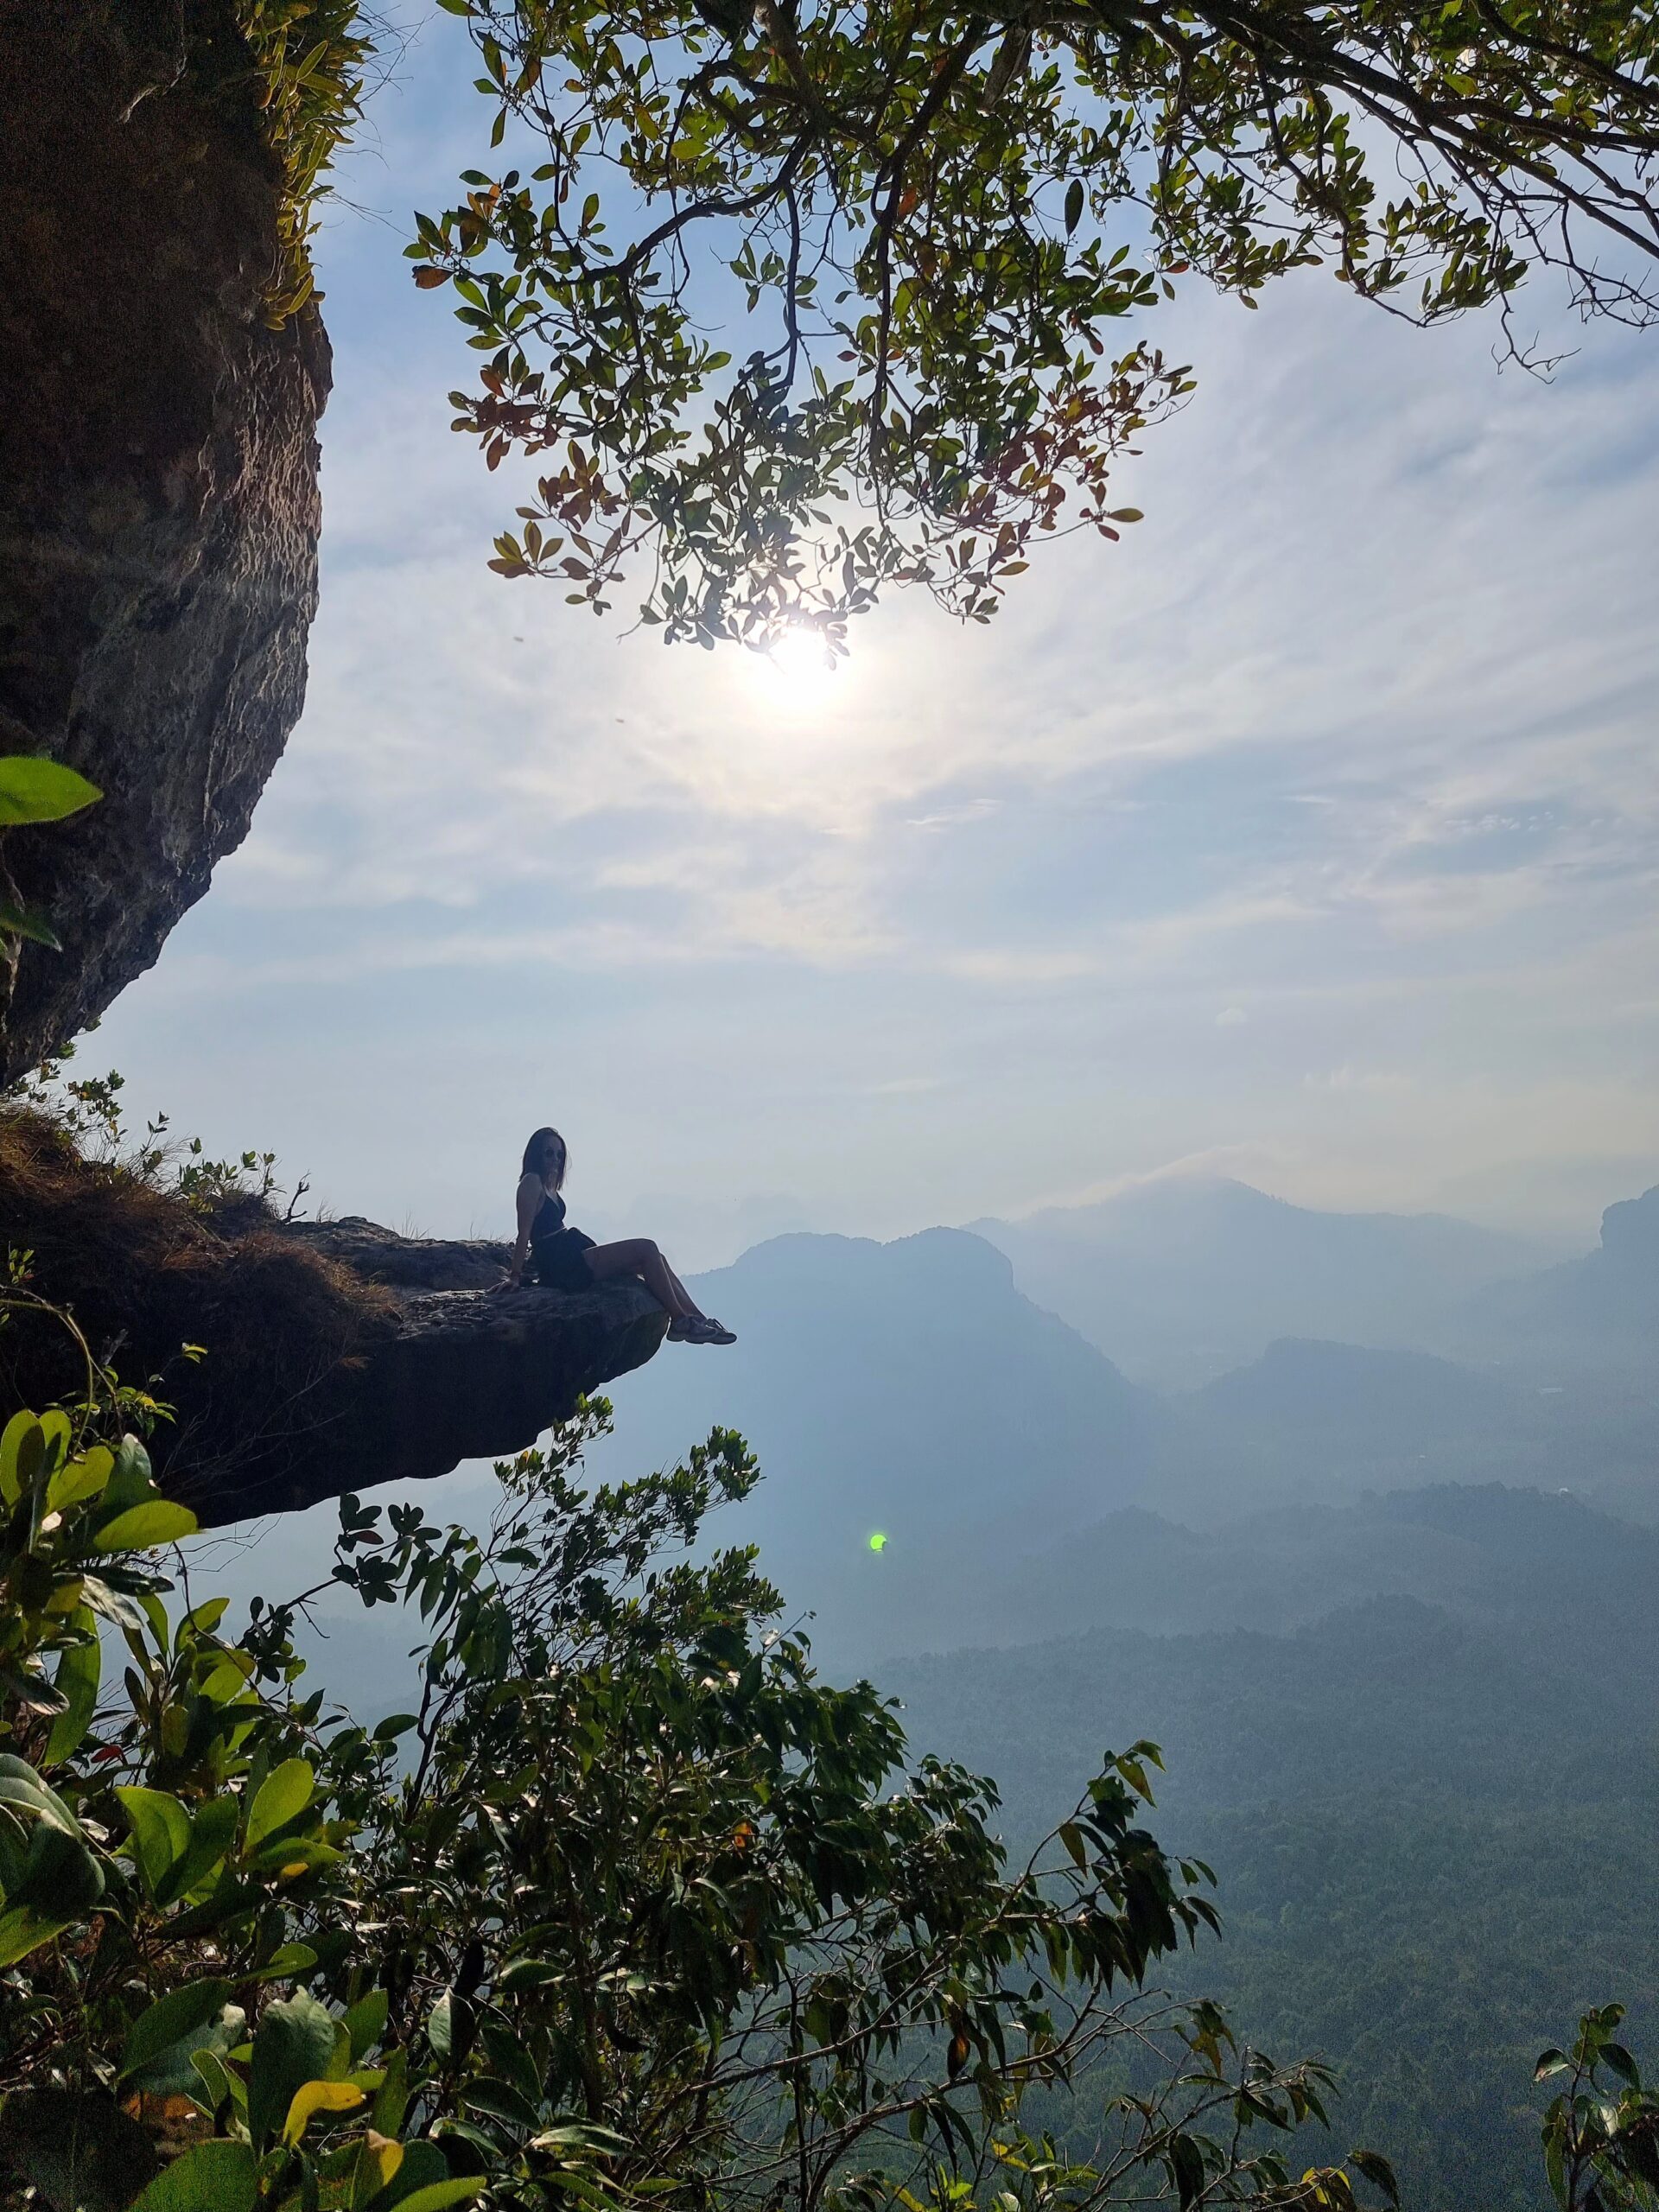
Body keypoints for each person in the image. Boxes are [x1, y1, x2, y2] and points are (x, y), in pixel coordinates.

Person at [503, 1127, 736, 1346]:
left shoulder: (548, 1184)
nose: (555, 1159)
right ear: (536, 1154)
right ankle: (680, 1321)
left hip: (569, 1252)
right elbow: (524, 1234)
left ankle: (697, 1319)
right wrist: (514, 1275)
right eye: (549, 1153)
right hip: (561, 1263)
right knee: (647, 1248)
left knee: (658, 1259)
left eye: (559, 1154)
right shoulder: (530, 1182)